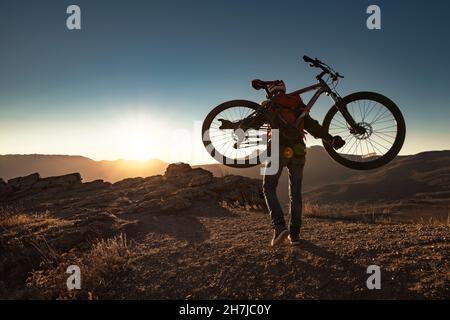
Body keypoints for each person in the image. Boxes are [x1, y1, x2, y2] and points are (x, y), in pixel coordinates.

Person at [260, 80, 345, 246]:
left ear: (271, 92)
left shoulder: (271, 104)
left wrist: (233, 126)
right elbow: (312, 125)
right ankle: (295, 234)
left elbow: (253, 123)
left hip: (277, 147)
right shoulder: (297, 103)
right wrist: (329, 138)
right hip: (298, 150)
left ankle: (279, 227)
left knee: (268, 187)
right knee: (296, 193)